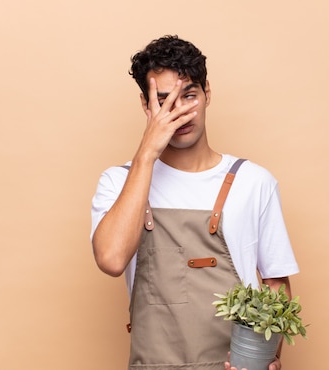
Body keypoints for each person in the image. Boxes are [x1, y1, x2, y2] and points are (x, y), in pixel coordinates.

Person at [90, 35, 299, 370]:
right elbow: (112, 260)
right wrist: (147, 153)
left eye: (189, 96)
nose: (181, 112)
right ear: (146, 106)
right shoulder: (118, 182)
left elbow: (275, 284)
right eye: (164, 102)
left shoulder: (253, 181)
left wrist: (270, 358)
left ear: (207, 94)